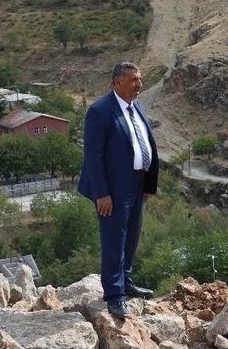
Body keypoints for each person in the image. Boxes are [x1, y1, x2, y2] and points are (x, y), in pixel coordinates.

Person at [79, 62, 159, 318]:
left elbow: (145, 143)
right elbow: (93, 157)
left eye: (140, 79)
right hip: (112, 189)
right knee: (114, 239)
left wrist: (148, 184)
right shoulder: (100, 111)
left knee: (132, 235)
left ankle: (126, 282)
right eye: (134, 80)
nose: (139, 84)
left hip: (136, 184)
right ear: (117, 82)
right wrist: (102, 193)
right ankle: (114, 296)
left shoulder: (137, 107)